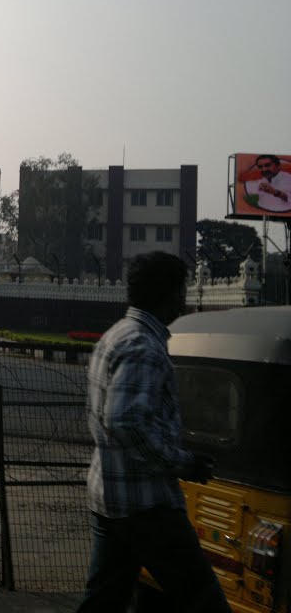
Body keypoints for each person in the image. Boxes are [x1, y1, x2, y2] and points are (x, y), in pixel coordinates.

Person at [77, 252, 230, 612]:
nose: (186, 296)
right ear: (169, 293)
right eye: (183, 288)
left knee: (104, 601)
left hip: (109, 494)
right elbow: (125, 421)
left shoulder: (117, 335)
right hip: (146, 504)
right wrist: (183, 463)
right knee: (204, 600)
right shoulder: (144, 347)